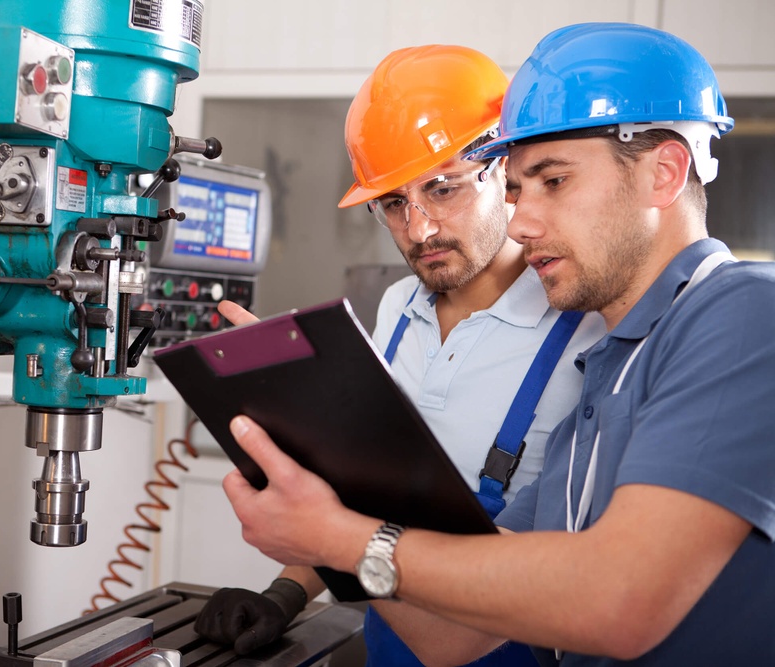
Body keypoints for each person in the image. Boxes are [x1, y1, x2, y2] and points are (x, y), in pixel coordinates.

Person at [216, 22, 775, 666]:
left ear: (665, 173)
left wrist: (345, 539)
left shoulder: (743, 313)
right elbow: (456, 635)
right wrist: (311, 474)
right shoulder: (607, 371)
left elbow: (619, 601)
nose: (524, 219)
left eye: (553, 181)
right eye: (517, 188)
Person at [192, 45, 604, 666]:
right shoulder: (393, 312)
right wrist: (282, 594)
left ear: (505, 171)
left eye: (441, 189)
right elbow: (354, 505)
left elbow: (515, 593)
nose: (419, 229)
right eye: (393, 203)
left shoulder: (586, 332)